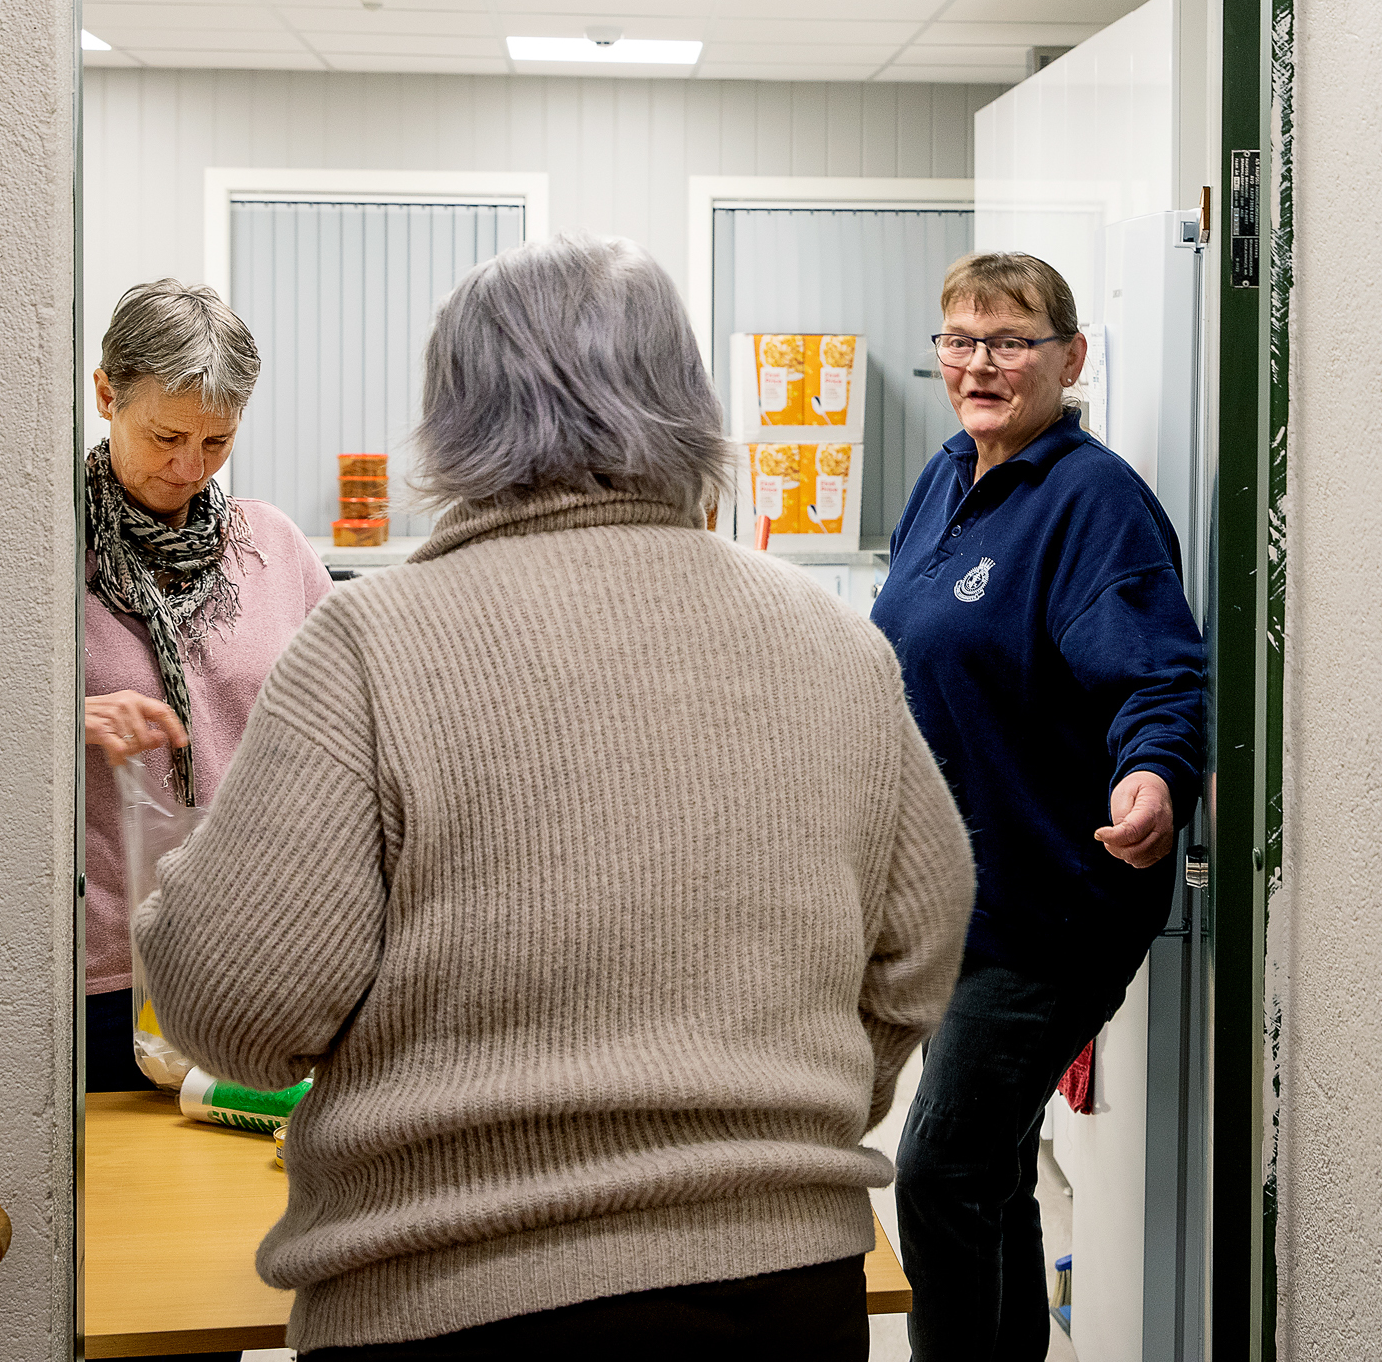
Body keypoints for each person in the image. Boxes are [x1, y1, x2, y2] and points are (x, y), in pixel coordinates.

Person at [135, 235, 975, 1362]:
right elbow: (927, 928)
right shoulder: (834, 642)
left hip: (453, 1291)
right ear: (686, 398)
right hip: (783, 1285)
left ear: (454, 410)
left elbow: (238, 1014)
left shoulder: (373, 642)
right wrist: (780, 1107)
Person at [871, 251, 1208, 1362]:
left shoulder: (1090, 500)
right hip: (959, 901)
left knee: (939, 1171)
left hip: (1049, 906)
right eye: (960, 340)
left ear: (1069, 358)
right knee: (992, 1170)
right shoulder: (944, 480)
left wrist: (1154, 775)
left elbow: (1158, 675)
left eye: (1011, 342)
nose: (980, 364)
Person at [82, 278, 331, 1098]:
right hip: (103, 973)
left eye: (216, 441)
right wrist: (60, 718)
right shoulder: (46, 553)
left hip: (251, 957)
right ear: (106, 395)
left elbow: (350, 717)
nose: (188, 467)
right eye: (165, 436)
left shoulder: (271, 547)